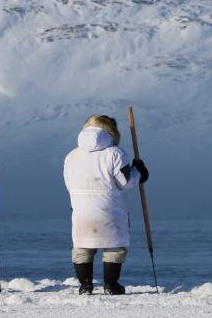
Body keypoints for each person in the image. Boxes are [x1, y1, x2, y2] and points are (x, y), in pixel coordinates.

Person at [63, 115, 149, 295]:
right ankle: (111, 285)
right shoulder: (115, 154)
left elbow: (69, 183)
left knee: (82, 246)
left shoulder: (72, 156)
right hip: (110, 209)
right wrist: (138, 172)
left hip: (81, 211)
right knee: (115, 245)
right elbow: (124, 182)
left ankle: (85, 285)